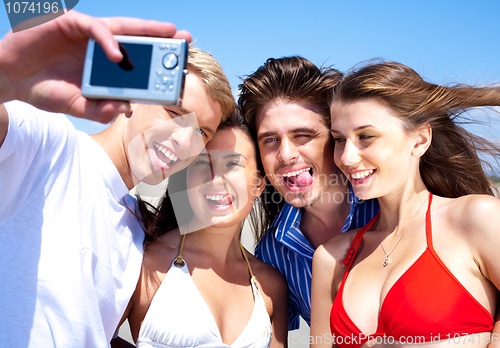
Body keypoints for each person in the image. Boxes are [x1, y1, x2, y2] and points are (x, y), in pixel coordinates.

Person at [0, 11, 236, 347]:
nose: (185, 140)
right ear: (135, 95)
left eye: (202, 131)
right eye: (173, 113)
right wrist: (6, 75)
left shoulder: (140, 229)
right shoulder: (49, 146)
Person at [311, 60, 500, 348]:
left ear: (420, 139)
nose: (346, 157)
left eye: (366, 136)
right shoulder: (330, 258)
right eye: (339, 139)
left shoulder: (476, 218)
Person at [112, 111, 288, 348]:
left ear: (259, 183)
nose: (215, 180)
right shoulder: (144, 264)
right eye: (202, 163)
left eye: (232, 163)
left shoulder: (270, 284)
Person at [238, 56, 379, 330]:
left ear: (337, 139)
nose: (286, 155)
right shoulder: (271, 254)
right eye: (270, 140)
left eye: (302, 135)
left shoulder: (391, 209)